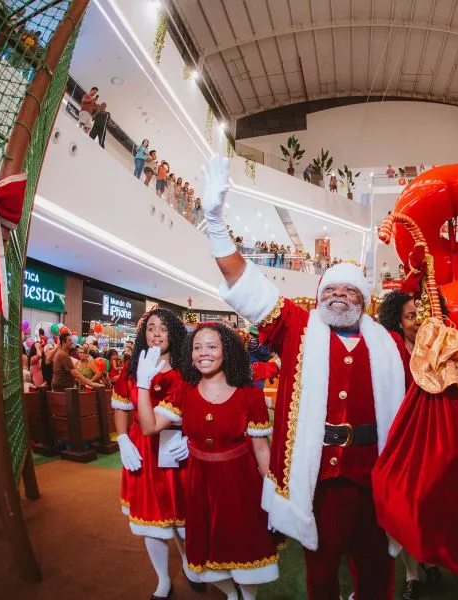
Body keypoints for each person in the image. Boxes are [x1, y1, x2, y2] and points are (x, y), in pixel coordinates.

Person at [200, 155, 409, 600]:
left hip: (375, 475)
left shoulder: (389, 345)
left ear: (364, 300)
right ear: (318, 297)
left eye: (348, 290)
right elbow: (248, 286)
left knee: (376, 571)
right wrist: (215, 224)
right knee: (320, 572)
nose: (337, 296)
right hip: (320, 478)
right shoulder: (297, 327)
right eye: (329, 289)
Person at [135, 323, 279, 600]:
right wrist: (143, 385)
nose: (203, 353)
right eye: (197, 347)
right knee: (207, 549)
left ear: (227, 351)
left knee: (246, 546)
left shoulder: (250, 394)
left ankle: (247, 598)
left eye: (212, 346)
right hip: (200, 483)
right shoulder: (184, 391)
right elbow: (150, 427)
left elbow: (261, 449)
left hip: (241, 483)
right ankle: (230, 595)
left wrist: (272, 492)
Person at [111, 307, 193, 599]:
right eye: (151, 328)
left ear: (175, 333)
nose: (157, 333)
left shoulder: (187, 370)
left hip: (175, 449)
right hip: (142, 453)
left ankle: (188, 563)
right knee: (151, 522)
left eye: (164, 328)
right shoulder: (131, 370)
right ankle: (162, 579)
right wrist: (122, 438)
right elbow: (121, 406)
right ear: (143, 334)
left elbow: (161, 423)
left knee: (183, 520)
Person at [376, 291, 433, 599]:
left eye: (420, 315)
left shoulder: (436, 347)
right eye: (411, 316)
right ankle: (412, 572)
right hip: (400, 441)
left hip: (432, 440)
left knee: (431, 506)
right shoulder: (389, 350)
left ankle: (429, 557)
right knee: (403, 507)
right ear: (397, 320)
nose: (418, 322)